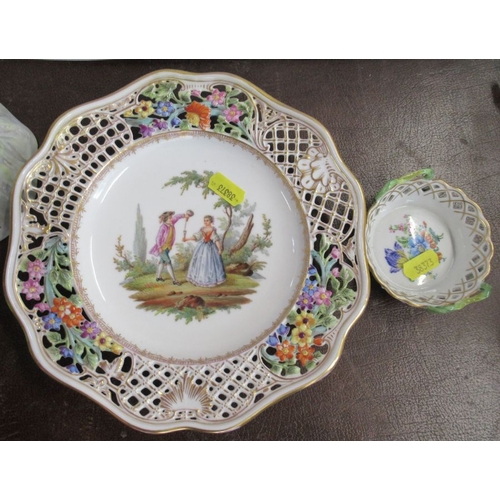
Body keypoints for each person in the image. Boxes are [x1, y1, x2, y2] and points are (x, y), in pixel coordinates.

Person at [150, 210, 193, 285]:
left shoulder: (171, 223)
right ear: (166, 219)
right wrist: (159, 247)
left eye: (171, 218)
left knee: (162, 262)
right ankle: (174, 280)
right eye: (170, 218)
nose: (171, 219)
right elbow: (158, 238)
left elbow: (177, 217)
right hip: (162, 248)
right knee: (168, 262)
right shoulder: (163, 227)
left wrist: (185, 215)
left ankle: (158, 277)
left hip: (168, 247)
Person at [183, 215, 226, 287]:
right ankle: (200, 279)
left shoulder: (213, 229)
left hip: (211, 248)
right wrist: (187, 239)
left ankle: (210, 280)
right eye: (204, 220)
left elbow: (216, 240)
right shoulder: (202, 229)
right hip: (202, 247)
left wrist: (219, 249)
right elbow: (196, 237)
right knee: (200, 263)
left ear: (211, 221)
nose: (205, 222)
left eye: (207, 220)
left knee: (209, 263)